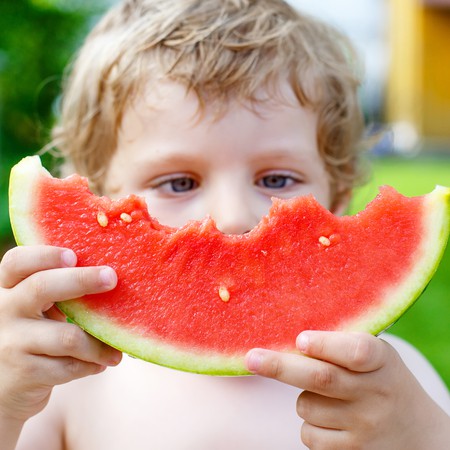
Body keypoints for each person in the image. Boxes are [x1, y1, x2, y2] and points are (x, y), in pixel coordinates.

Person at [1, 0, 449, 448]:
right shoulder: (67, 387)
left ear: (339, 195)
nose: (233, 215)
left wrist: (419, 434)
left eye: (276, 179)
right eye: (178, 182)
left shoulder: (384, 385)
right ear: (100, 202)